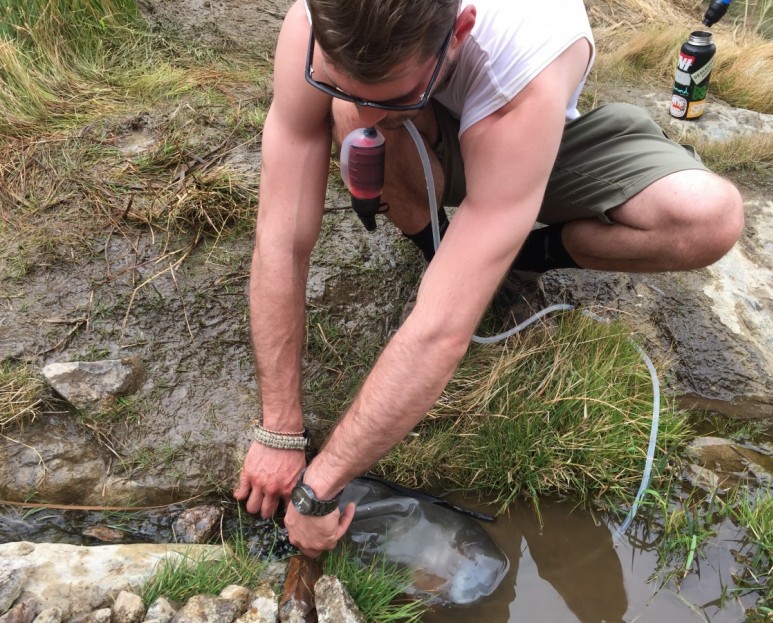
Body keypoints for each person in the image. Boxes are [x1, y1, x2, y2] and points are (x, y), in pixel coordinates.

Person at [233, 0, 744, 558]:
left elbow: (440, 332)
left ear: (460, 32)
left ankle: (520, 250)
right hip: (435, 130)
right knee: (361, 115)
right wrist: (279, 428)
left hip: (519, 130)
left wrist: (317, 490)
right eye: (339, 83)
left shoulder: (527, 54)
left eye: (390, 96)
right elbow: (282, 237)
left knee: (709, 218)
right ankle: (446, 244)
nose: (369, 121)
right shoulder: (316, 26)